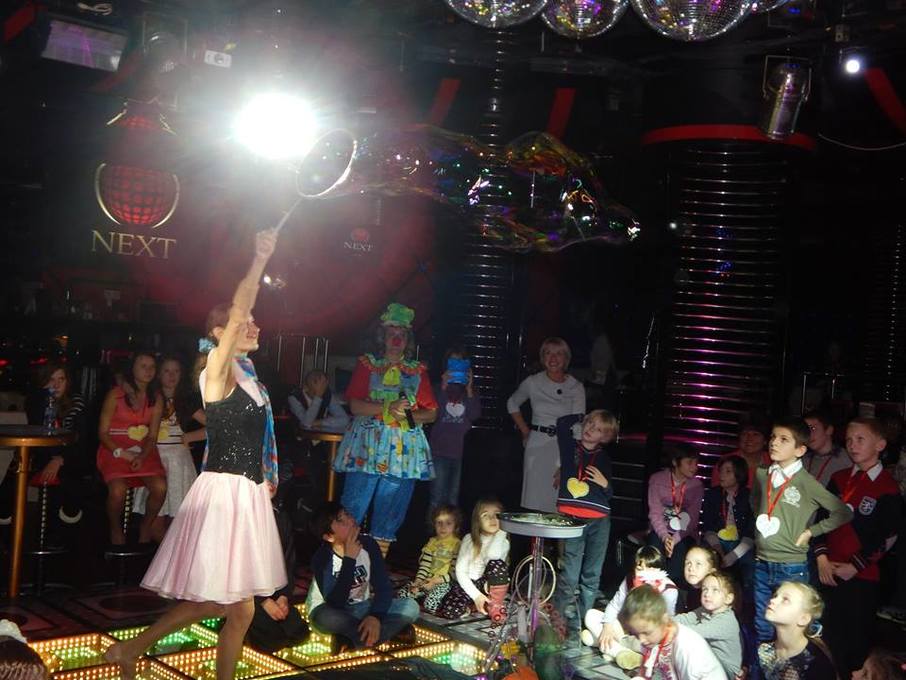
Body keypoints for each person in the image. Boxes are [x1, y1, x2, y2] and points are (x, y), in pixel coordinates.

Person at [104, 230, 287, 680]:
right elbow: (240, 305)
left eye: (254, 321)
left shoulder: (248, 376)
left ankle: (132, 650)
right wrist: (259, 260)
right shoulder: (216, 372)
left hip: (246, 492)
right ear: (220, 334)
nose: (254, 325)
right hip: (226, 494)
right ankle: (132, 648)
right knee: (223, 603)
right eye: (245, 322)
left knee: (238, 608)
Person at [333, 302, 438, 557]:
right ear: (383, 337)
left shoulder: (417, 371)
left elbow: (432, 412)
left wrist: (408, 415)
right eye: (392, 333)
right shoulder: (368, 365)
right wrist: (387, 408)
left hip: (402, 453)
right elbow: (355, 405)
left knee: (390, 511)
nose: (396, 339)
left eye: (402, 335)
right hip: (367, 448)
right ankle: (338, 567)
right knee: (353, 506)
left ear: (408, 340)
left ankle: (374, 568)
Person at [750, 417, 852, 643]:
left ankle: (808, 661)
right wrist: (761, 518)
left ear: (800, 450)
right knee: (762, 624)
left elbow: (843, 512)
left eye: (784, 439)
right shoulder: (762, 473)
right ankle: (766, 663)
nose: (774, 442)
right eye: (773, 437)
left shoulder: (806, 482)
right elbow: (755, 499)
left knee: (800, 625)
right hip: (762, 561)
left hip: (792, 565)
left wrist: (811, 531)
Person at [814, 417, 902, 676]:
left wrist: (855, 566)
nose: (852, 445)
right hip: (828, 571)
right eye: (849, 440)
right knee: (826, 637)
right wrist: (821, 558)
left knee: (855, 641)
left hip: (862, 576)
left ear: (880, 445)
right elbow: (821, 521)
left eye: (860, 439)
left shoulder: (887, 486)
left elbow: (890, 535)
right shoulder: (839, 478)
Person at [306, 501, 418, 649]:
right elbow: (336, 602)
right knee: (325, 619)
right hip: (332, 611)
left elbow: (384, 588)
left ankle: (351, 640)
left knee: (411, 607)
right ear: (329, 536)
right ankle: (381, 633)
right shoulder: (322, 559)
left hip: (363, 607)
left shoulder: (368, 544)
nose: (350, 520)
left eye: (347, 515)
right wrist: (349, 560)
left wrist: (375, 617)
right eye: (341, 521)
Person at [0, 363, 89, 530]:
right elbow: (37, 429)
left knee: (68, 487)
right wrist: (45, 397)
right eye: (51, 380)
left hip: (68, 454)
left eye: (61, 379)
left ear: (68, 381)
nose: (56, 385)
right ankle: (8, 526)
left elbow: (81, 439)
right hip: (38, 452)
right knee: (14, 476)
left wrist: (59, 459)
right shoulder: (36, 401)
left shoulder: (76, 403)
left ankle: (58, 527)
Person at [551, 409, 616, 634]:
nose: (590, 430)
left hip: (600, 519)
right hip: (573, 517)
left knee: (591, 574)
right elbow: (561, 423)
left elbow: (609, 494)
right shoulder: (570, 447)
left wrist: (604, 483)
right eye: (589, 424)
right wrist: (581, 416)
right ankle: (557, 620)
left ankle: (581, 623)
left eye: (598, 429)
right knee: (570, 573)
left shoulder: (604, 458)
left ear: (604, 437)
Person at [96, 351, 167, 546]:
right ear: (132, 368)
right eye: (143, 366)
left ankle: (146, 526)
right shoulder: (115, 394)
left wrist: (142, 456)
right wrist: (122, 453)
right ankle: (115, 527)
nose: (148, 371)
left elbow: (152, 436)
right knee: (117, 490)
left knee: (160, 487)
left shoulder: (156, 397)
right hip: (114, 448)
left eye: (152, 367)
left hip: (143, 448)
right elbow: (102, 433)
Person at [507, 337, 586, 512]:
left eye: (559, 354)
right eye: (548, 353)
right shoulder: (533, 382)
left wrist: (569, 461)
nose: (553, 358)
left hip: (563, 446)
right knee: (534, 502)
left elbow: (578, 427)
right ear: (543, 357)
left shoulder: (575, 387)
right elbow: (512, 403)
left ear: (566, 358)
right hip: (537, 444)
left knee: (558, 504)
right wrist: (525, 431)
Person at [134, 356, 200, 541]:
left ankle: (173, 555)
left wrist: (190, 436)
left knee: (177, 520)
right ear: (159, 374)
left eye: (176, 371)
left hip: (178, 462)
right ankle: (164, 555)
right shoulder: (149, 399)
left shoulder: (185, 401)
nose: (172, 375)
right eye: (167, 371)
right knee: (154, 520)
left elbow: (214, 426)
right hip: (154, 459)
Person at [581, 545, 678, 654]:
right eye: (639, 569)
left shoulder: (668, 590)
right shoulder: (629, 580)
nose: (643, 574)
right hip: (625, 631)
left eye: (649, 569)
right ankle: (621, 651)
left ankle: (614, 650)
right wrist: (607, 627)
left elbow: (666, 622)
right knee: (590, 615)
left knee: (590, 638)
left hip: (646, 638)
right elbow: (614, 606)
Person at [619, 583, 727, 680]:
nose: (641, 640)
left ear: (664, 619)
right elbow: (644, 673)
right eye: (636, 634)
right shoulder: (651, 639)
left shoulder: (686, 647)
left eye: (646, 633)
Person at [246, 509, 310, 653]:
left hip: (273, 590)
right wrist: (263, 601)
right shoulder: (243, 517)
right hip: (247, 594)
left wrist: (283, 597)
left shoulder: (280, 517)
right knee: (271, 641)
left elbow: (288, 560)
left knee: (300, 634)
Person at [435, 497, 510, 622]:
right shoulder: (469, 539)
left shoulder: (503, 542)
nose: (492, 519)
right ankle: (473, 606)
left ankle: (494, 605)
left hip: (486, 585)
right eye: (485, 515)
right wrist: (476, 596)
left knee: (497, 564)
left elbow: (494, 556)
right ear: (477, 520)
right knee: (450, 611)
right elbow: (460, 571)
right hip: (467, 583)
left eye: (497, 515)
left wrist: (502, 531)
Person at [428, 348, 481, 514]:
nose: (457, 367)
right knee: (437, 497)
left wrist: (470, 389)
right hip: (439, 451)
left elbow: (474, 415)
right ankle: (434, 529)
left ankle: (453, 530)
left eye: (460, 363)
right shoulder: (438, 389)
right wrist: (444, 387)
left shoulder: (470, 393)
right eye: (453, 363)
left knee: (453, 499)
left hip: (461, 453)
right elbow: (434, 414)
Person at [647, 445, 704, 587]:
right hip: (660, 531)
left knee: (680, 561)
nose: (694, 467)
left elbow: (693, 519)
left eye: (696, 463)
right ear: (675, 462)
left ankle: (673, 593)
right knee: (654, 557)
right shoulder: (657, 479)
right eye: (689, 462)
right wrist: (665, 537)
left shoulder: (696, 485)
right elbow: (655, 513)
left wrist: (675, 539)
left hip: (684, 534)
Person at [758, 581, 837, 680]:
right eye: (775, 596)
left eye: (785, 599)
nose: (772, 600)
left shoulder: (816, 662)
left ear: (803, 619)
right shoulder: (763, 650)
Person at [675, 571, 742, 679]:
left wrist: (668, 628)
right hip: (711, 661)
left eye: (715, 590)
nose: (707, 594)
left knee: (688, 645)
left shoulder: (726, 621)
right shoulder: (705, 610)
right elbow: (686, 619)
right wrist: (664, 621)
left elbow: (694, 632)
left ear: (728, 598)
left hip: (726, 670)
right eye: (705, 589)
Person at [701, 455, 755, 590]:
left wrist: (733, 556)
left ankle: (747, 598)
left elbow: (750, 532)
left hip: (741, 543)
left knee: (749, 563)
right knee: (706, 556)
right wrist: (717, 548)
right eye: (721, 471)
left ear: (739, 474)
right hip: (717, 541)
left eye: (728, 471)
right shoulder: (712, 494)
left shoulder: (749, 496)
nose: (722, 475)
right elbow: (708, 526)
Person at [402, 504, 462, 614]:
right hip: (428, 580)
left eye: (448, 523)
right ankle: (421, 597)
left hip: (445, 582)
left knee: (430, 604)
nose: (443, 527)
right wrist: (418, 581)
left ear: (456, 526)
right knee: (404, 595)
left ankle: (447, 602)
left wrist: (435, 581)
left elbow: (454, 573)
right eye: (439, 523)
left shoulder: (457, 545)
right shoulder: (432, 543)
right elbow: (424, 566)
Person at [711, 412, 772, 489]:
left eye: (755, 434)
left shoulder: (774, 462)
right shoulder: (725, 462)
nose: (749, 438)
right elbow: (716, 492)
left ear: (765, 440)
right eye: (745, 434)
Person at [802, 410, 851, 488]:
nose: (809, 434)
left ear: (829, 430)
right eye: (805, 430)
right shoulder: (803, 461)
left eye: (813, 428)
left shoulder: (846, 460)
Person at [680, 546, 719, 613]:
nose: (691, 568)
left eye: (698, 564)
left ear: (711, 571)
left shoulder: (714, 597)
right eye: (688, 563)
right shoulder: (679, 589)